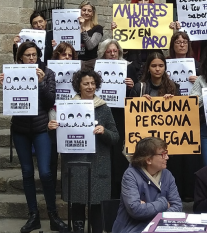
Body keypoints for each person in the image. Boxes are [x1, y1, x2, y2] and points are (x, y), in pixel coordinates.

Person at [0, 42, 67, 233]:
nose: (31, 58)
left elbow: (50, 101)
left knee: (46, 172)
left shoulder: (48, 73)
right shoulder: (13, 72)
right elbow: (12, 102)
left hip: (40, 128)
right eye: (27, 55)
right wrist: (4, 84)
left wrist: (40, 83)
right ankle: (33, 216)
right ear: (20, 57)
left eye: (34, 55)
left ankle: (53, 215)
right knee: (27, 173)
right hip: (20, 129)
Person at [48, 70, 119, 233]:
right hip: (75, 165)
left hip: (98, 166)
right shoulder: (67, 107)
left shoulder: (104, 108)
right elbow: (57, 140)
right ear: (78, 85)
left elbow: (115, 137)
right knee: (77, 207)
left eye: (93, 83)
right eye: (86, 83)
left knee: (96, 211)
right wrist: (52, 129)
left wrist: (104, 131)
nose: (90, 87)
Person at [112, 137, 182, 233]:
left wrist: (153, 215)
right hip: (132, 229)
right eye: (163, 154)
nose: (167, 157)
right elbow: (135, 210)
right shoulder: (130, 175)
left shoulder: (167, 174)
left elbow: (177, 206)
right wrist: (164, 204)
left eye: (166, 153)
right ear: (148, 160)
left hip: (161, 227)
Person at [97, 38, 137, 198]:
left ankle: (120, 190)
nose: (113, 54)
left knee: (120, 154)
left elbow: (134, 96)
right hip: (104, 113)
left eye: (115, 51)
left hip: (122, 116)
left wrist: (132, 86)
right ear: (103, 53)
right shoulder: (97, 68)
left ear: (119, 52)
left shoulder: (129, 68)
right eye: (109, 51)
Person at [167, 31, 202, 201]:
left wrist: (199, 80)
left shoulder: (198, 65)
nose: (181, 44)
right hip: (172, 113)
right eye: (178, 42)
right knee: (174, 153)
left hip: (192, 113)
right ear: (172, 46)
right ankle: (176, 191)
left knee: (190, 153)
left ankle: (190, 192)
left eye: (184, 41)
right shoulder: (164, 64)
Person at [48, 42, 78, 190]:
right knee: (52, 153)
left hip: (72, 113)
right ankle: (52, 188)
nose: (66, 57)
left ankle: (71, 188)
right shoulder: (48, 71)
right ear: (57, 55)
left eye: (70, 55)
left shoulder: (78, 72)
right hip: (53, 112)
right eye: (63, 54)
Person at [77, 1, 103, 70]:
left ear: (92, 14)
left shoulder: (97, 28)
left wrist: (82, 28)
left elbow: (90, 46)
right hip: (75, 63)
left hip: (91, 65)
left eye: (89, 11)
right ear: (80, 11)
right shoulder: (73, 28)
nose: (86, 13)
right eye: (84, 10)